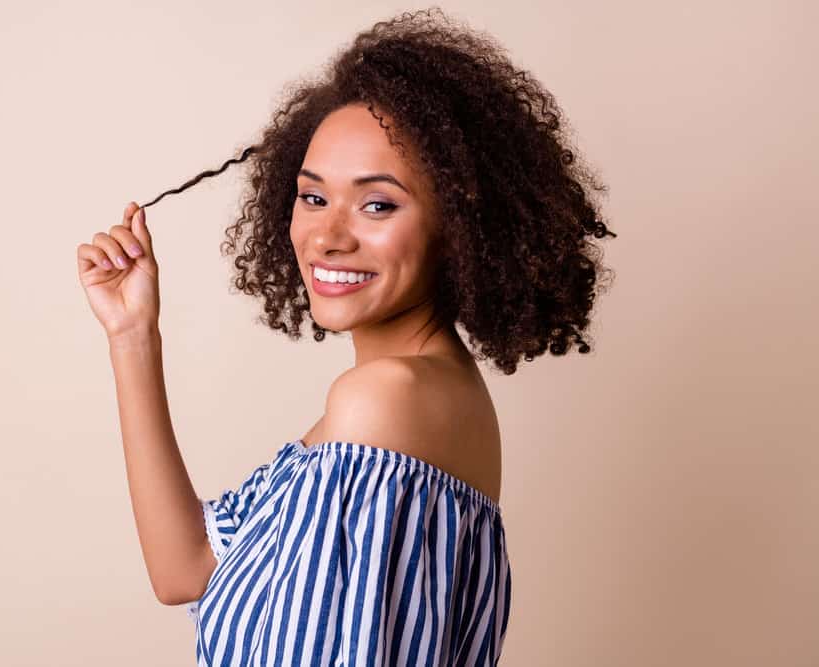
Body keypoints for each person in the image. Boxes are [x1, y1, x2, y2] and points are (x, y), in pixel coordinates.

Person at [76, 8, 615, 666]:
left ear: (460, 222)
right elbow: (186, 568)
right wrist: (132, 334)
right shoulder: (428, 396)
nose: (329, 235)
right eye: (313, 197)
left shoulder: (383, 401)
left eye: (378, 203)